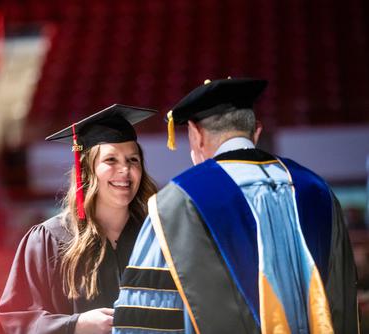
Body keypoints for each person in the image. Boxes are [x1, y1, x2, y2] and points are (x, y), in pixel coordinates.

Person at [113, 78, 358, 333]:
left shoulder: (177, 203)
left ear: (196, 135)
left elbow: (145, 320)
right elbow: (343, 297)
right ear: (257, 131)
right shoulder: (317, 191)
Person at [0, 104, 158, 334]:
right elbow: (17, 320)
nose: (125, 170)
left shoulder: (154, 235)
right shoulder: (50, 240)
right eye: (111, 160)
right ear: (87, 170)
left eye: (133, 160)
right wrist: (75, 325)